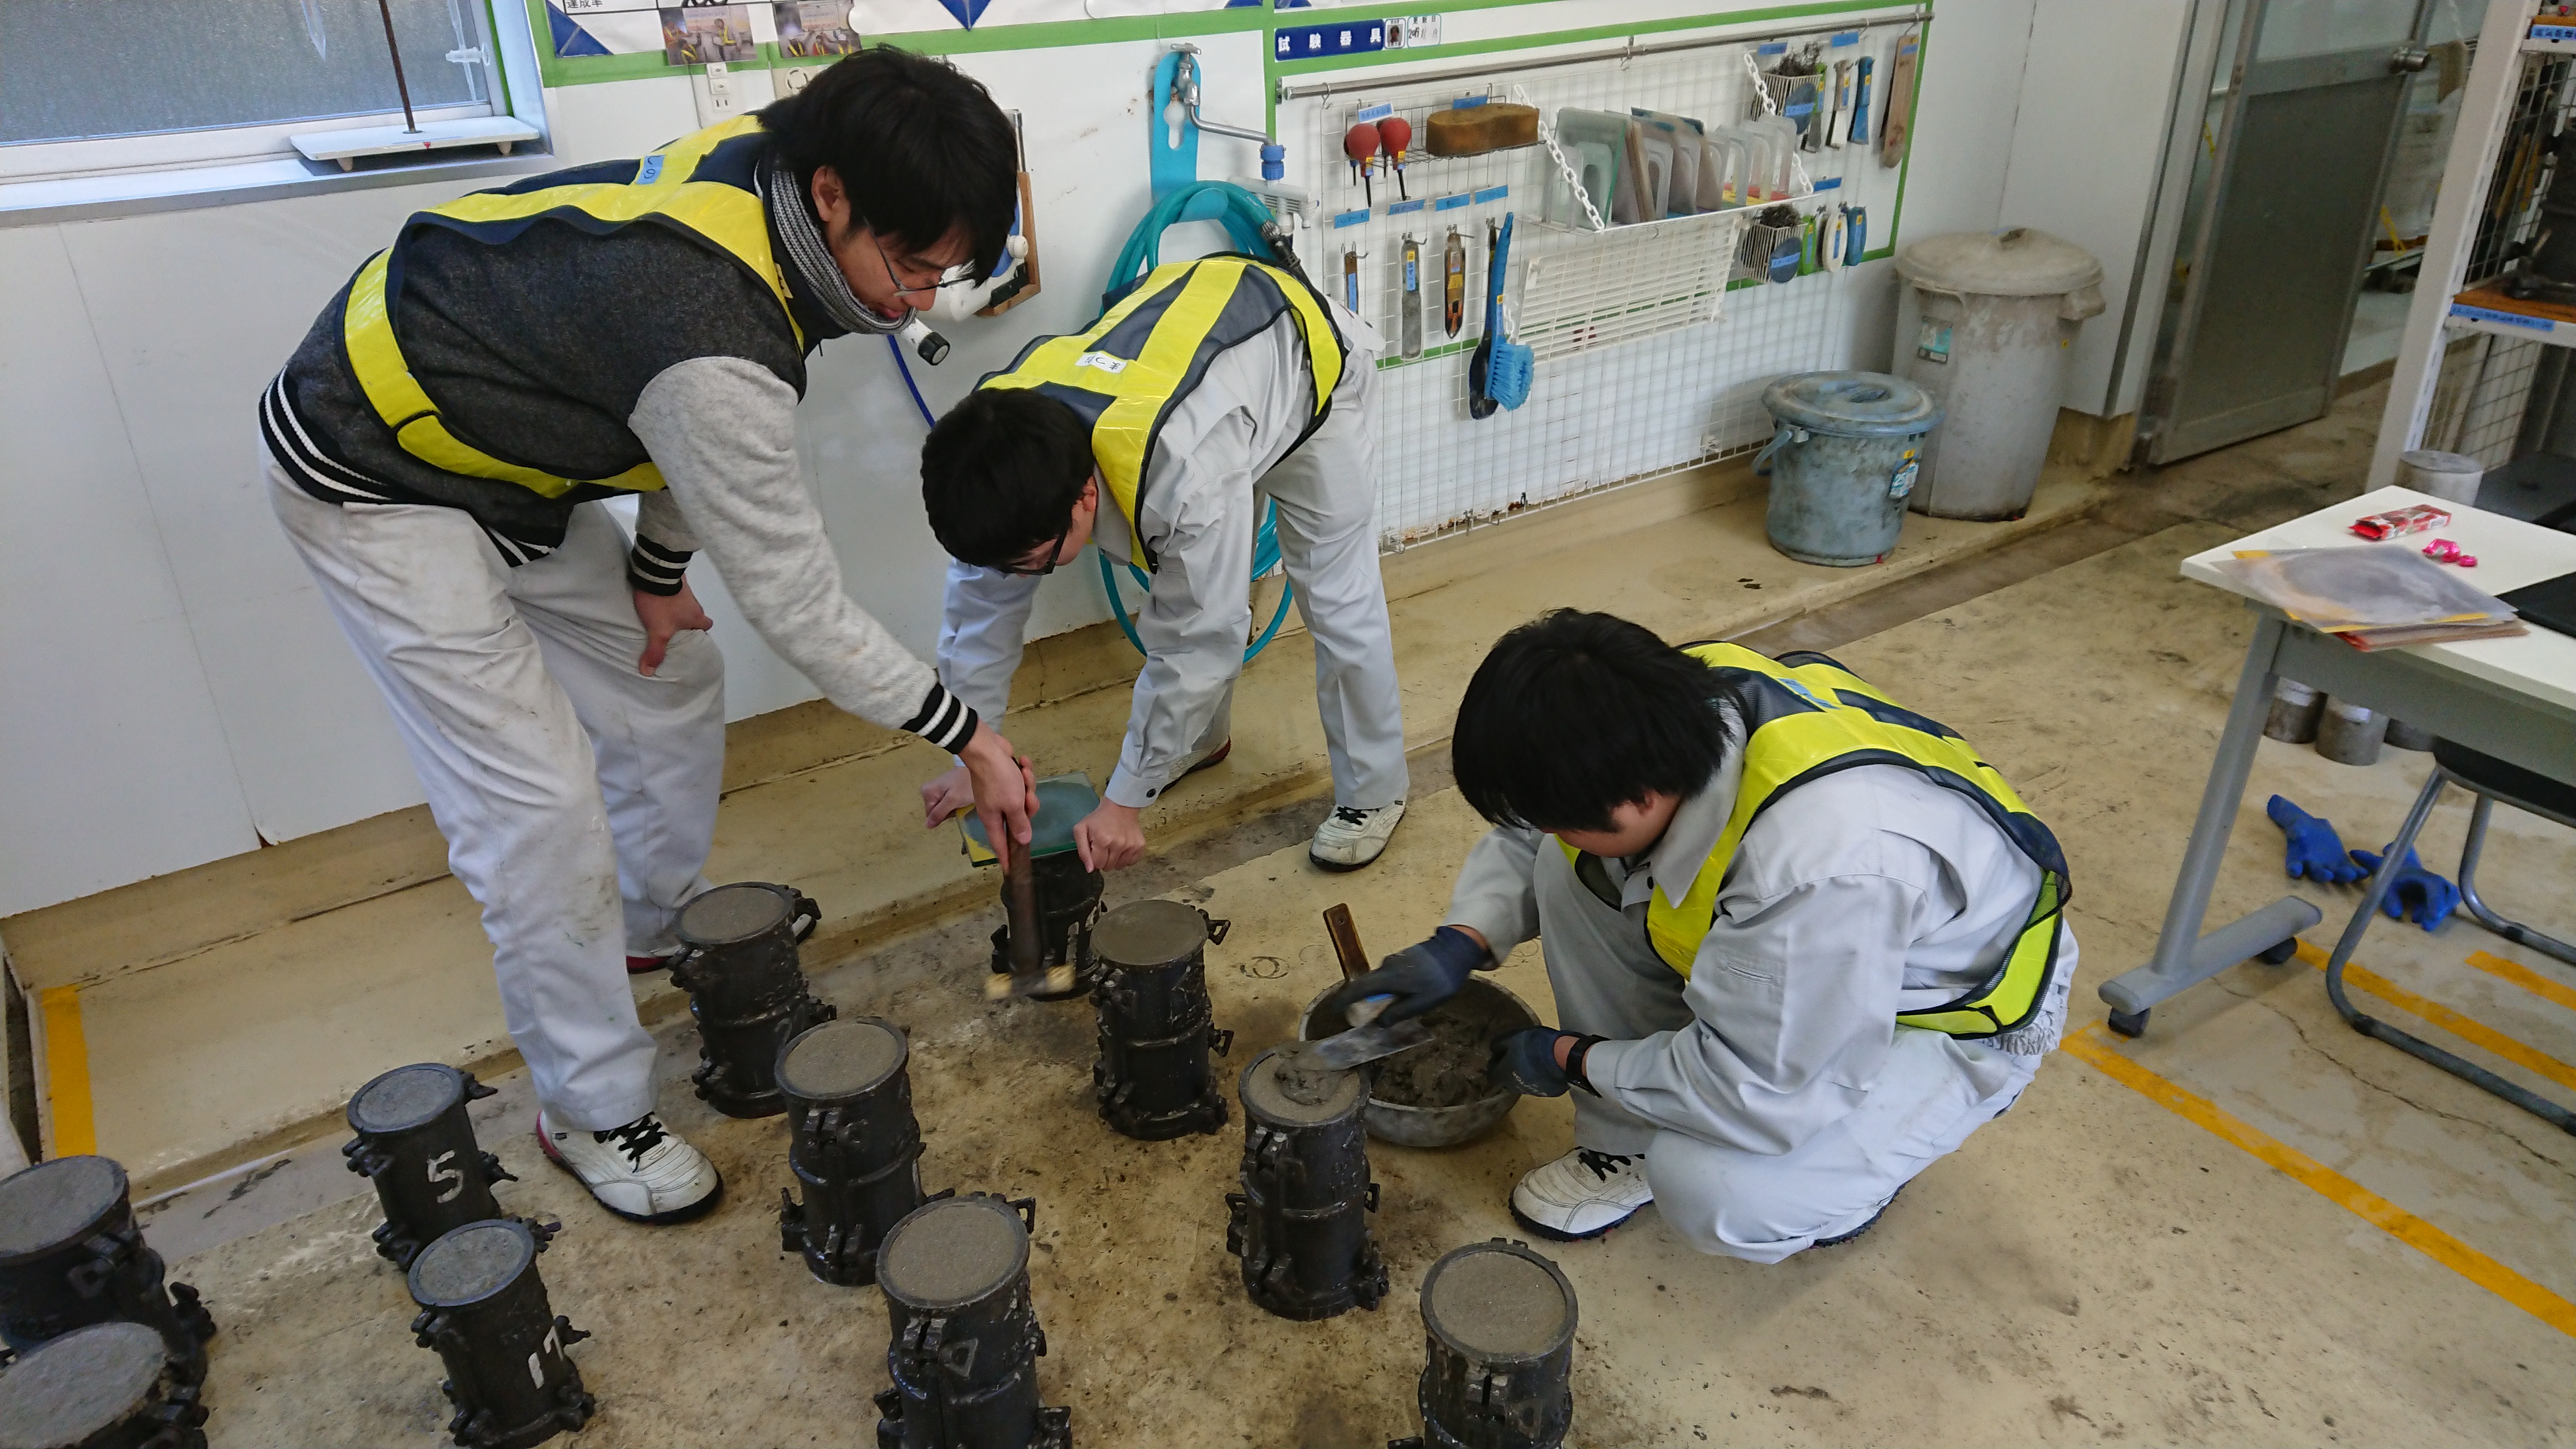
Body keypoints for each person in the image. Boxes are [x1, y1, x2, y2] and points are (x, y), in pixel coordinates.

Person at [260, 50, 1038, 1226]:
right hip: (370, 471)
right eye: (911, 265)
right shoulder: (710, 320)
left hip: (506, 452)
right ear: (832, 196)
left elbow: (694, 411)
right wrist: (968, 733)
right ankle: (585, 1108)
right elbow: (798, 594)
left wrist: (660, 571)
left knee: (671, 671)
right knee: (539, 813)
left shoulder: (781, 185)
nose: (918, 302)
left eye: (946, 272)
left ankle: (640, 927)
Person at [1325, 610, 2078, 1258]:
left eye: (1558, 816)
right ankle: (1622, 1145)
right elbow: (1542, 839)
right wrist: (1462, 940)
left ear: (1641, 796)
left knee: (1716, 1188)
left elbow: (1759, 1089)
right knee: (1570, 870)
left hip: (1952, 1018)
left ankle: (1853, 1181)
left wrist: (1573, 1058)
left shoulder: (1818, 869)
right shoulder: (1673, 702)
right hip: (1829, 963)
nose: (1546, 831)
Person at [915, 252, 1409, 872]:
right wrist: (974, 754)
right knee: (1201, 583)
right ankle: (1201, 741)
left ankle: (1375, 792)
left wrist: (1125, 803)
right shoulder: (998, 446)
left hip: (1309, 370)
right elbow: (977, 615)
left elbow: (1201, 638)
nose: (1014, 582)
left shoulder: (1186, 478)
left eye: (1034, 563)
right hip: (1215, 385)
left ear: (1085, 496)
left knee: (1336, 599)